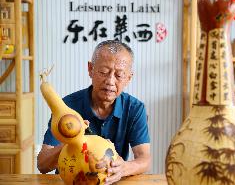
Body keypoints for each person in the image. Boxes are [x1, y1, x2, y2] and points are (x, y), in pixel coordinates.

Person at [37, 40, 151, 185]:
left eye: (119, 75)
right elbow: (42, 165)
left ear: (128, 78)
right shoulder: (67, 107)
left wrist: (124, 168)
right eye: (103, 72)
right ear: (90, 69)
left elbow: (145, 159)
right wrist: (72, 141)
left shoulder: (135, 108)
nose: (110, 81)